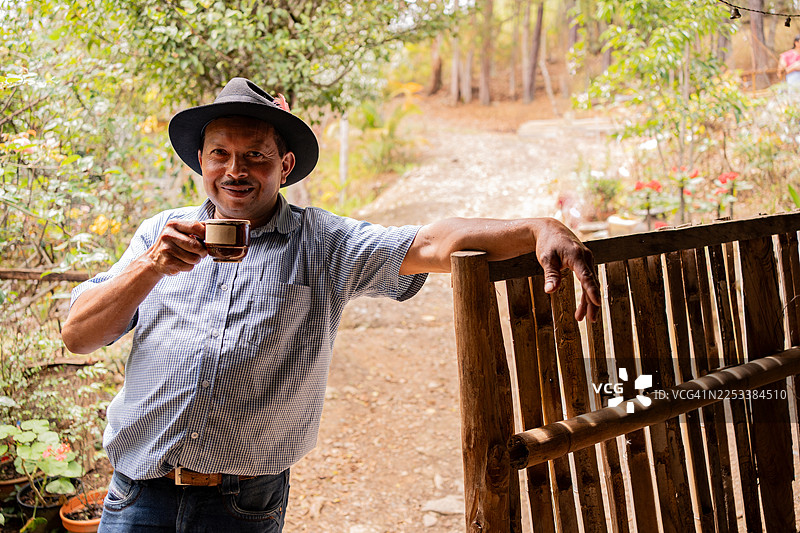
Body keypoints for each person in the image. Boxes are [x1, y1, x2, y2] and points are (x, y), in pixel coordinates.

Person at [62, 77, 601, 533]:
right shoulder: (160, 234)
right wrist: (150, 267)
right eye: (220, 154)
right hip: (137, 496)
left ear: (285, 164)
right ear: (201, 160)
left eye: (256, 155)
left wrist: (537, 227)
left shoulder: (323, 243)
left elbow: (435, 242)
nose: (235, 170)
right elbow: (77, 335)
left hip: (240, 506)